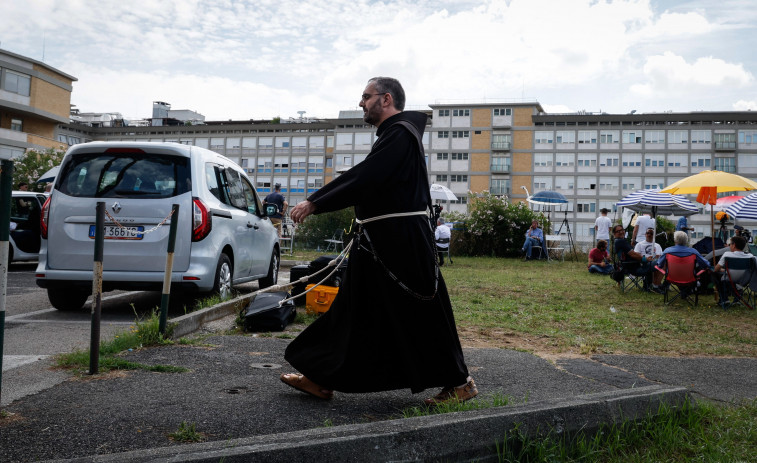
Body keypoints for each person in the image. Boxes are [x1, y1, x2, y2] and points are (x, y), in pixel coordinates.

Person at [282, 77, 476, 405]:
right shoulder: (395, 135)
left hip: (401, 244)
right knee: (352, 311)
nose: (361, 103)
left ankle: (460, 382)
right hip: (380, 242)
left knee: (421, 312)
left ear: (385, 100)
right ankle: (320, 378)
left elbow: (367, 177)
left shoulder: (400, 134)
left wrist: (316, 201)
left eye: (365, 96)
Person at [712, 235, 757, 308]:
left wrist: (721, 269)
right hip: (745, 280)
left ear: (734, 245)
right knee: (728, 277)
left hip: (729, 278)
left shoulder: (727, 254)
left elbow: (716, 269)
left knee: (715, 274)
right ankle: (737, 295)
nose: (729, 246)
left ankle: (724, 299)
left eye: (730, 244)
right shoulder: (750, 256)